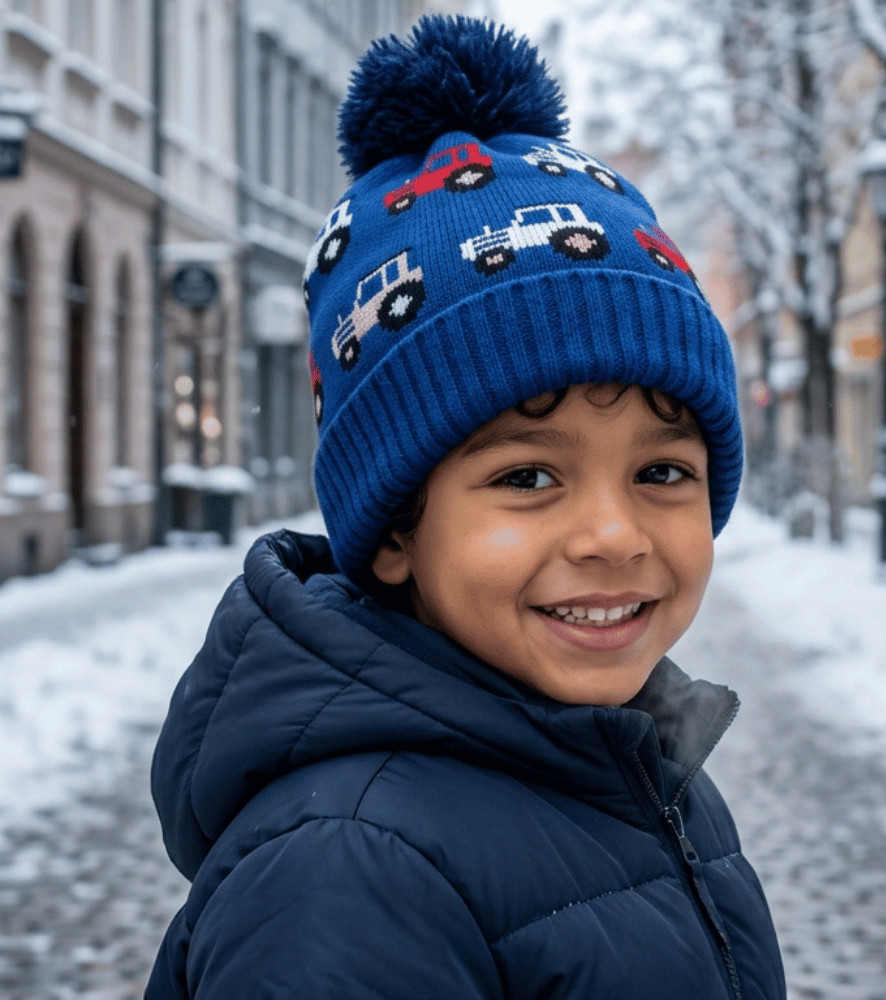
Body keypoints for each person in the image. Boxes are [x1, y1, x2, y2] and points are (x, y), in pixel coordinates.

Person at [145, 15, 785, 1000]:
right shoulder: (349, 876)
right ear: (397, 529)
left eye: (661, 473)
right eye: (528, 477)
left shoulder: (630, 767)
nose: (613, 535)